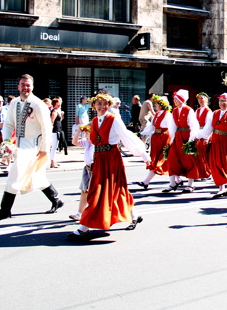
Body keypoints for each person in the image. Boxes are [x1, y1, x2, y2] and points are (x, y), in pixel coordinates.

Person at [68, 93, 150, 241]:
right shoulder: (94, 121)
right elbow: (91, 142)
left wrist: (143, 155)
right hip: (99, 160)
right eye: (99, 104)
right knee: (111, 191)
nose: (102, 106)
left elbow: (126, 137)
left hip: (111, 159)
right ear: (94, 106)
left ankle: (84, 227)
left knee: (101, 192)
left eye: (105, 103)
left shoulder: (114, 120)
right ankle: (134, 215)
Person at [0, 74, 64, 222]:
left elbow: (46, 127)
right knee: (36, 177)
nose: (25, 87)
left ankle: (5, 209)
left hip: (33, 148)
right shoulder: (14, 103)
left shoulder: (38, 104)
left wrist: (44, 149)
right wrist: (7, 143)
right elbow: (9, 124)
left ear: (32, 87)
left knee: (14, 176)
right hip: (19, 146)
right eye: (23, 84)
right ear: (18, 86)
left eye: (28, 85)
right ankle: (56, 199)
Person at [165, 89, 202, 193]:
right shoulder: (175, 111)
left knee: (189, 160)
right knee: (172, 158)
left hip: (186, 136)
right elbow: (173, 126)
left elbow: (194, 125)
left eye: (176, 99)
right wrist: (172, 139)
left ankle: (190, 184)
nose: (174, 101)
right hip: (178, 137)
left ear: (181, 100)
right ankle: (172, 183)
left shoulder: (188, 110)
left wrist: (190, 140)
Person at [134, 95, 173, 190]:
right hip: (156, 138)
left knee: (161, 160)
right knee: (157, 159)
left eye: (156, 103)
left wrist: (173, 140)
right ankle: (176, 181)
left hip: (164, 137)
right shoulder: (157, 114)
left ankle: (146, 181)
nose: (155, 105)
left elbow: (171, 128)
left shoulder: (167, 114)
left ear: (161, 105)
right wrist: (142, 133)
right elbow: (151, 127)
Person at [69, 124, 94, 221]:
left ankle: (92, 212)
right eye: (86, 134)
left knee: (93, 192)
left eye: (88, 134)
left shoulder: (97, 145)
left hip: (94, 168)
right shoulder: (87, 143)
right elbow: (74, 142)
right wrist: (78, 132)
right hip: (87, 169)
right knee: (84, 191)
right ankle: (80, 213)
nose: (86, 136)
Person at [194, 93, 213, 179]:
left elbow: (209, 125)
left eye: (202, 98)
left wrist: (206, 136)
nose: (200, 100)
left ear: (206, 100)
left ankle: (206, 172)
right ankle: (201, 172)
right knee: (198, 154)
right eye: (199, 99)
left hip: (204, 133)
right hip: (198, 132)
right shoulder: (197, 110)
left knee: (205, 154)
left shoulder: (208, 111)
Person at [49, 98, 64, 168]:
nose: (60, 104)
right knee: (54, 147)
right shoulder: (54, 112)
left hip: (57, 130)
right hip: (54, 131)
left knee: (56, 146)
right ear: (55, 104)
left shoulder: (58, 111)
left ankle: (54, 161)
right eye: (58, 103)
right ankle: (52, 162)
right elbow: (51, 122)